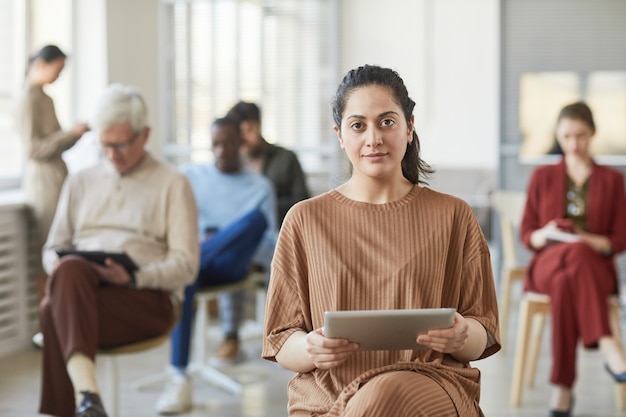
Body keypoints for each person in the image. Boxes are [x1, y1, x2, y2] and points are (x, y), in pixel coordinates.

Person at [262, 64, 501, 417]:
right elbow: (282, 339)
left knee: (386, 394)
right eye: (358, 125)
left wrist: (463, 335)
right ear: (340, 135)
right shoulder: (304, 220)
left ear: (409, 127)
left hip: (431, 384)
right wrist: (311, 348)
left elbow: (485, 330)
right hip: (328, 396)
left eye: (387, 122)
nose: (373, 138)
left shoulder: (454, 216)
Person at [38, 84, 199, 417]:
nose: (112, 154)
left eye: (121, 144)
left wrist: (133, 275)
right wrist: (55, 260)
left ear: (145, 135)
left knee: (51, 310)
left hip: (145, 299)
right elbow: (52, 247)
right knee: (68, 270)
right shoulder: (80, 181)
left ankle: (77, 402)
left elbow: (186, 266)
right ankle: (89, 400)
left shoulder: (172, 182)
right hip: (83, 289)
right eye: (104, 145)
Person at [156, 117, 277, 415]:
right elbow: (173, 223)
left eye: (229, 142)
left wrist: (227, 238)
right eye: (216, 143)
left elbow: (272, 242)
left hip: (232, 263)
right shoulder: (191, 176)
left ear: (241, 143)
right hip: (195, 262)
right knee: (188, 271)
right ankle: (179, 376)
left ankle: (198, 254)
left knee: (254, 221)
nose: (222, 150)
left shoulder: (260, 186)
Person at [520, 101, 626, 417]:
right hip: (547, 262)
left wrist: (584, 240)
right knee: (570, 257)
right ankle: (607, 345)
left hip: (592, 268)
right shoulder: (541, 176)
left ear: (592, 133)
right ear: (558, 135)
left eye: (580, 135)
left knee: (570, 276)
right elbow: (527, 235)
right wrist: (549, 233)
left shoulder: (613, 180)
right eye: (566, 136)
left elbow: (620, 240)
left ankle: (562, 390)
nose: (573, 144)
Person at [16, 44, 90, 302]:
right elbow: (34, 149)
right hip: (43, 183)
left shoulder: (46, 99)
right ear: (41, 64)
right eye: (57, 69)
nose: (58, 75)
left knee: (65, 244)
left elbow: (54, 143)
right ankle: (48, 321)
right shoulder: (27, 100)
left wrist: (74, 135)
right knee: (48, 249)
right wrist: (68, 134)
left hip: (58, 177)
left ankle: (63, 312)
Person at [226, 101, 310, 226]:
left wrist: (264, 206)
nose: (243, 138)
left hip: (280, 231)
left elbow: (302, 201)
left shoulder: (285, 158)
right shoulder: (229, 163)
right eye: (239, 133)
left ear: (258, 126)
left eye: (249, 130)